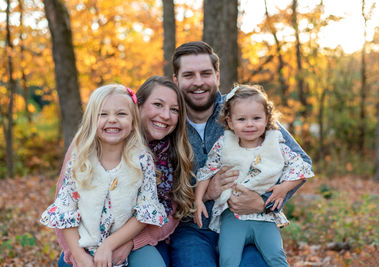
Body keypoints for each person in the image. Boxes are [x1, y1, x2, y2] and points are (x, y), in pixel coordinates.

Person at [170, 41, 312, 267]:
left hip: (246, 219)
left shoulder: (244, 108)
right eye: (189, 75)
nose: (198, 82)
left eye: (205, 73)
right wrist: (206, 193)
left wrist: (263, 202)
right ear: (176, 80)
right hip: (194, 229)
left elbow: (300, 161)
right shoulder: (168, 120)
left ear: (217, 75)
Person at [54, 76, 195, 267]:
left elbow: (151, 212)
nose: (165, 115)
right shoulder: (82, 153)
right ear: (138, 108)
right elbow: (64, 208)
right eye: (158, 105)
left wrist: (121, 244)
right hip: (84, 242)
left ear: (131, 118)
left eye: (174, 110)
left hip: (137, 240)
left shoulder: (145, 159)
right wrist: (77, 255)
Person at [194, 85, 314, 266]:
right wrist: (198, 200)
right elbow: (206, 171)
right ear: (230, 122)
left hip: (264, 217)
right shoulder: (224, 144)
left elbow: (302, 167)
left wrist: (283, 188)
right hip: (233, 215)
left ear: (267, 119)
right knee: (228, 259)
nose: (249, 124)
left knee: (276, 257)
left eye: (256, 118)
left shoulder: (276, 143)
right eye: (242, 119)